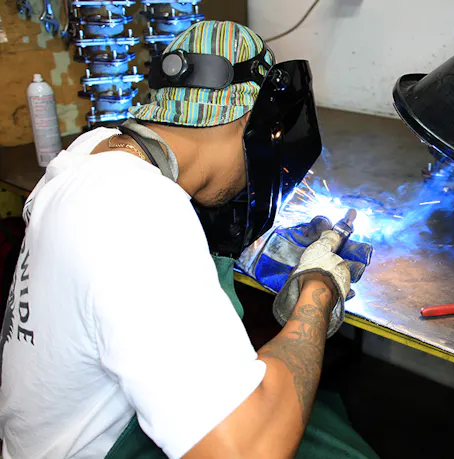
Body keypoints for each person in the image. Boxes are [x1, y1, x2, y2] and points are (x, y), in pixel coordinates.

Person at [0, 21, 375, 458]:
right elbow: (251, 451)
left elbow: (116, 271)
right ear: (250, 118)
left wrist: (253, 247)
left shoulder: (92, 151)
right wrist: (318, 288)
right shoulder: (137, 209)